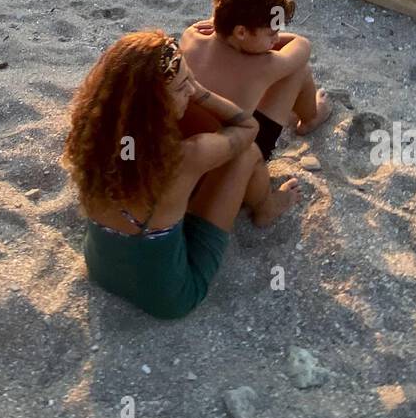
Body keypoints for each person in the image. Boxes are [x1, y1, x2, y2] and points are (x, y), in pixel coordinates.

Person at [63, 29, 301, 320]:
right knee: (247, 154)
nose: (188, 90)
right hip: (170, 298)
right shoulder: (186, 156)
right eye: (181, 87)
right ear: (153, 105)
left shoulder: (92, 136)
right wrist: (201, 92)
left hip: (100, 267)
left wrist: (179, 81)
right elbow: (247, 128)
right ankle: (267, 207)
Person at [181, 0, 330, 164]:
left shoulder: (192, 35)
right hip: (233, 163)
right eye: (272, 34)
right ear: (241, 32)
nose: (276, 38)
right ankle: (310, 119)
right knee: (300, 70)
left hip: (194, 150)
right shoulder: (264, 66)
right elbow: (303, 46)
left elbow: (225, 22)